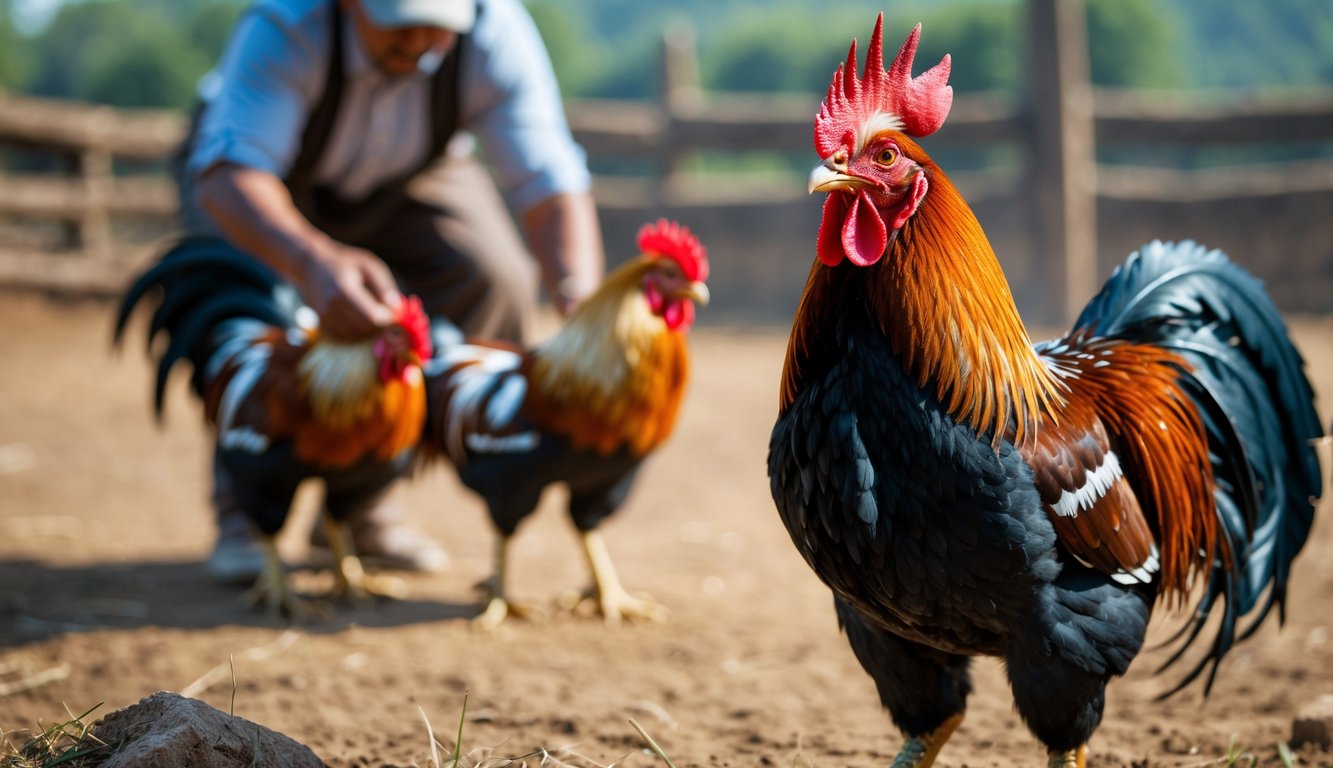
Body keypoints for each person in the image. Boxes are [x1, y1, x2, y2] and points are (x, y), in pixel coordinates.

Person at [176, 0, 606, 583]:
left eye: (441, 25)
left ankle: (364, 502)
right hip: (258, 174)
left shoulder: (495, 30)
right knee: (246, 294)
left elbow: (552, 183)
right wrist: (311, 260)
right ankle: (247, 509)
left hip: (414, 173)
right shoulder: (285, 25)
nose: (423, 40)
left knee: (497, 273)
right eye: (402, 22)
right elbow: (232, 177)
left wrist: (582, 299)